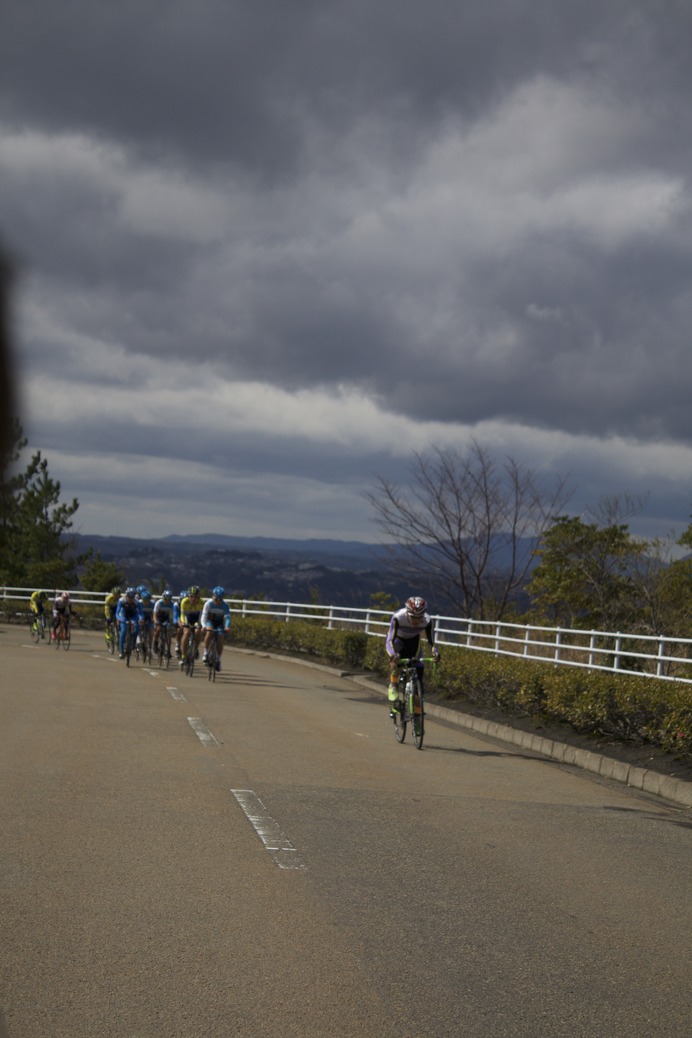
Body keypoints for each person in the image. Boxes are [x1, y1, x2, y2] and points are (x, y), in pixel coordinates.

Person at [385, 596, 440, 717]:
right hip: (398, 641)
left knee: (419, 673)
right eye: (413, 617)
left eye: (419, 618)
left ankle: (417, 709)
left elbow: (431, 641)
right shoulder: (398, 617)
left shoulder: (427, 620)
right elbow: (390, 639)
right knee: (397, 661)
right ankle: (393, 685)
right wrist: (393, 655)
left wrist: (435, 653)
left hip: (413, 642)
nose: (416, 621)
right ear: (407, 613)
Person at [201, 586, 231, 671]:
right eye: (216, 599)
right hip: (210, 621)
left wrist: (227, 627)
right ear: (212, 597)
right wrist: (203, 626)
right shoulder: (208, 604)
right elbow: (204, 617)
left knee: (220, 636)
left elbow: (228, 618)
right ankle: (206, 653)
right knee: (209, 632)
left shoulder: (225, 605)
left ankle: (218, 659)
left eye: (220, 599)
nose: (218, 601)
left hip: (219, 623)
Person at [178, 585, 203, 668]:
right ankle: (183, 655)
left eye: (196, 597)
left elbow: (202, 616)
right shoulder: (184, 602)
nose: (193, 599)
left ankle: (195, 649)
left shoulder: (201, 602)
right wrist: (184, 623)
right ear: (188, 596)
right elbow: (182, 615)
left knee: (198, 631)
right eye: (191, 596)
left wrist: (200, 624)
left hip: (197, 618)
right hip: (187, 618)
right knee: (186, 632)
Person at [115, 587, 143, 659]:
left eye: (132, 597)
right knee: (123, 631)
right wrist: (119, 619)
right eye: (129, 597)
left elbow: (140, 613)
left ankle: (133, 643)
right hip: (124, 615)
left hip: (133, 615)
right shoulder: (121, 600)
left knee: (136, 628)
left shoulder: (137, 601)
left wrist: (141, 619)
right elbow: (117, 613)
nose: (130, 599)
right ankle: (121, 651)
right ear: (126, 596)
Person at [153, 589, 175, 655]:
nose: (167, 600)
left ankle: (168, 650)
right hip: (159, 618)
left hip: (167, 618)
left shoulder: (173, 604)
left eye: (169, 599)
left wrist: (173, 622)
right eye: (166, 598)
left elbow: (173, 615)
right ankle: (155, 642)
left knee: (169, 633)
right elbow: (154, 614)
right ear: (163, 597)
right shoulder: (159, 603)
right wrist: (155, 621)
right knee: (158, 629)